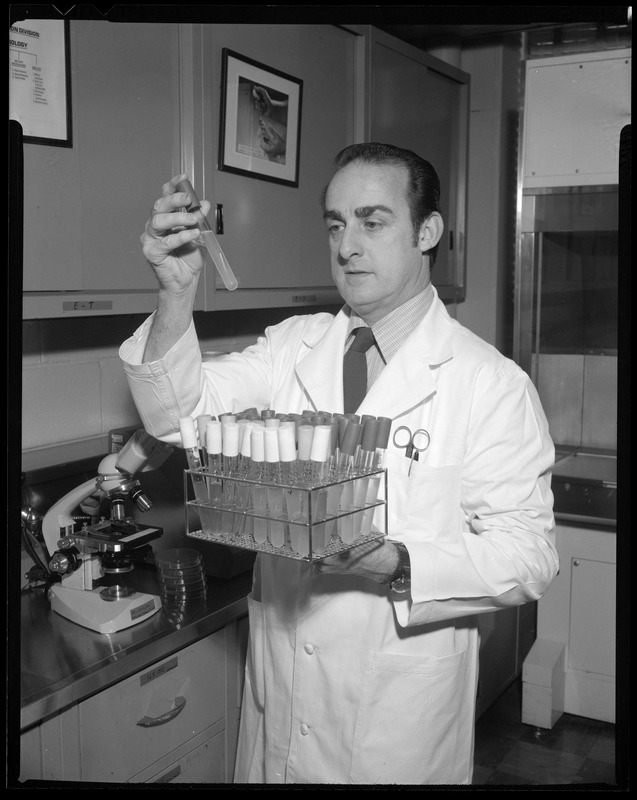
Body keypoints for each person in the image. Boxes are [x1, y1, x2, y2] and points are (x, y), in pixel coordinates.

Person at [120, 142, 558, 785]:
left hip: (396, 722)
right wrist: (176, 296)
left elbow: (529, 554)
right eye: (335, 223)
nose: (347, 244)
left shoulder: (489, 383)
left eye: (372, 222)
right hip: (282, 699)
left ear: (427, 231)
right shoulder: (293, 348)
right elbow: (174, 418)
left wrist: (396, 561)